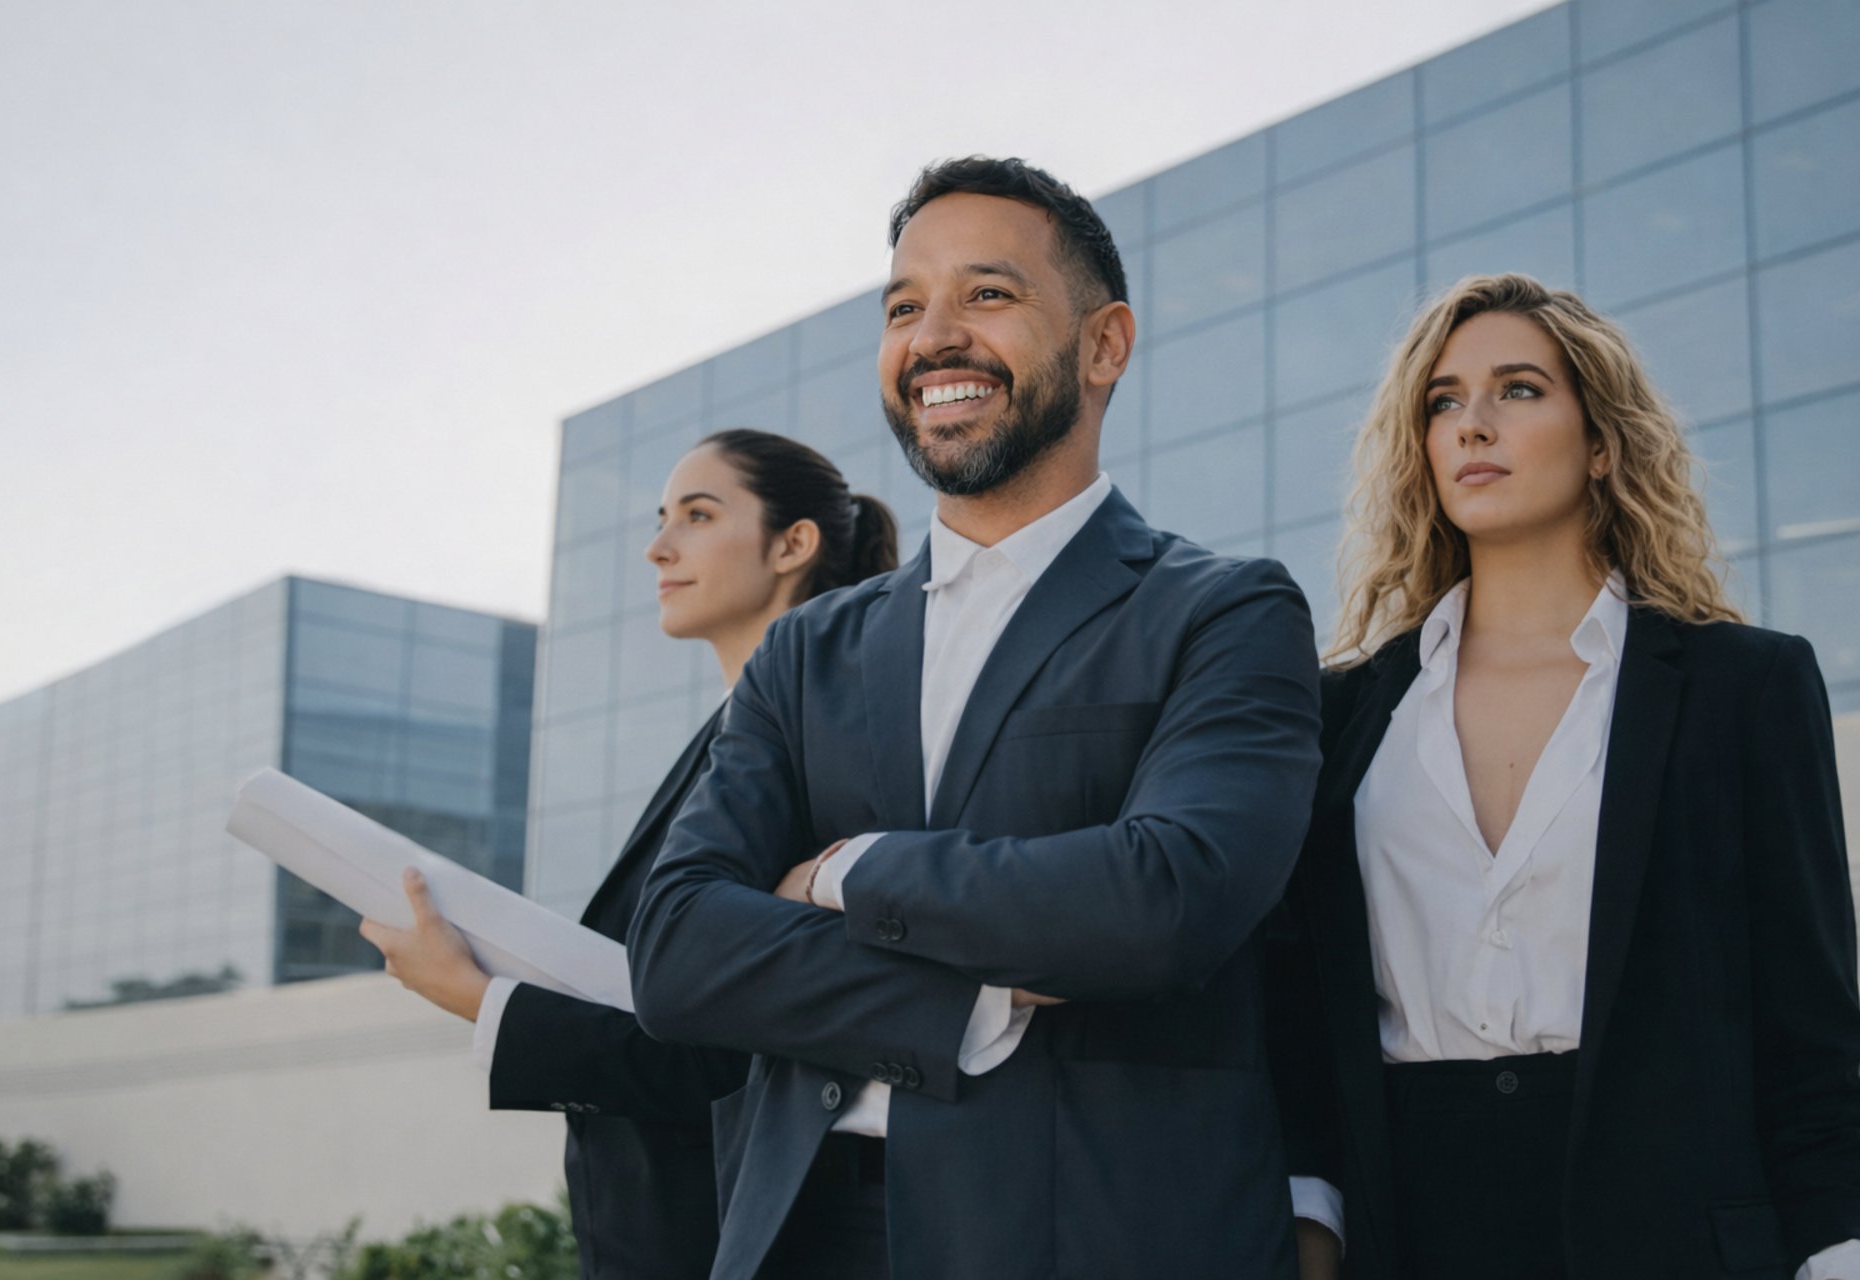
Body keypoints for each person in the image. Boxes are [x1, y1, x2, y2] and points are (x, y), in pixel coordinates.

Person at [627, 156, 1324, 1280]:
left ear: (1105, 344)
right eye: (906, 306)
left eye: (986, 294)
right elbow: (676, 950)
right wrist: (977, 988)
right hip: (801, 1235)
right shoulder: (810, 648)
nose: (935, 335)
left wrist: (852, 870)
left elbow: (1165, 899)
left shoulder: (1224, 611)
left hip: (1078, 1236)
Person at [1269, 273, 1860, 1279]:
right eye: (1444, 401)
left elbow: (1814, 1043)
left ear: (1600, 443)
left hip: (1676, 1237)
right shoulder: (1341, 716)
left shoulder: (1743, 688)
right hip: (1413, 1236)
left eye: (1519, 390)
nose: (1473, 424)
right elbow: (1304, 1043)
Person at [359, 428, 899, 1280]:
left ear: (794, 544)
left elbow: (739, 1046)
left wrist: (483, 998)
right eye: (661, 519)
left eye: (698, 514)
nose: (658, 547)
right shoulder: (724, 742)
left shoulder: (823, 745)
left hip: (742, 1235)